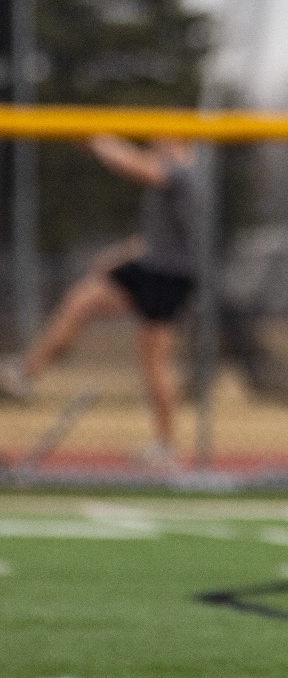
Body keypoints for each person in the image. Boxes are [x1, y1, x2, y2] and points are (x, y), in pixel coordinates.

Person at [0, 135, 199, 470]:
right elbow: (160, 237)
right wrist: (121, 254)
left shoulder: (184, 172)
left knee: (155, 359)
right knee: (82, 301)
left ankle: (167, 447)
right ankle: (27, 373)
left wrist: (99, 141)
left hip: (170, 276)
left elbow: (140, 168)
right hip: (150, 264)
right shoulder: (170, 172)